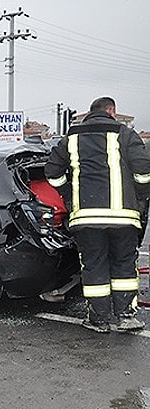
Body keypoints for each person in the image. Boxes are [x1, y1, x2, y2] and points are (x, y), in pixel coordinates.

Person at [45, 97, 150, 333]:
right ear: (111, 111)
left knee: (94, 266)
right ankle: (125, 317)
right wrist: (140, 196)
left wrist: (69, 195)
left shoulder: (71, 138)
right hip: (124, 217)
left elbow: (52, 172)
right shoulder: (124, 133)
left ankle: (98, 319)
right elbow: (143, 169)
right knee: (124, 266)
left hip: (86, 218)